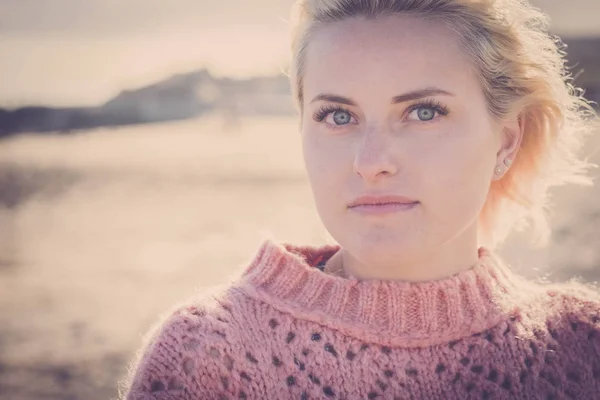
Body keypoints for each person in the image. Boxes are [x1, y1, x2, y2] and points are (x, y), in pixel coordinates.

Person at [119, 0, 600, 398]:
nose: (371, 162)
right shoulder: (203, 353)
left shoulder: (584, 343)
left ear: (506, 141)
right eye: (338, 116)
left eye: (423, 111)